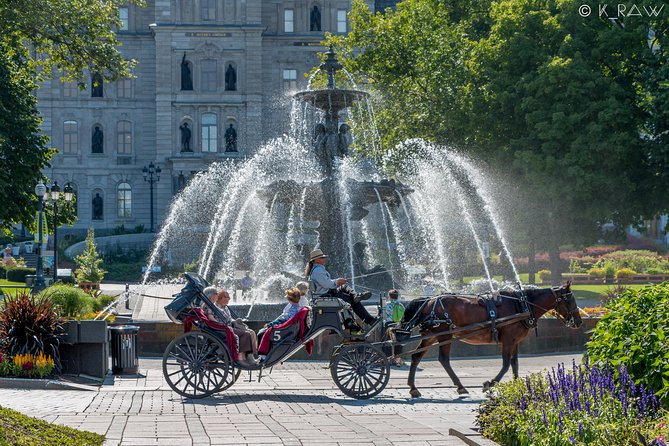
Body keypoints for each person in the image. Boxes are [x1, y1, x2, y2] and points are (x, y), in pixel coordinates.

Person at [304, 249, 377, 328]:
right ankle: (369, 320)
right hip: (326, 295)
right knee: (353, 302)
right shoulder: (318, 270)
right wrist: (337, 281)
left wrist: (338, 281)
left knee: (344, 286)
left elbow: (326, 282)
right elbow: (327, 284)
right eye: (322, 258)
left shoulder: (317, 269)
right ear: (316, 260)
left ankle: (355, 295)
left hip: (327, 293)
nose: (324, 259)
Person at [202, 286, 258, 365]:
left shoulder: (213, 305)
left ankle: (248, 356)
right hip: (220, 328)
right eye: (216, 293)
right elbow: (210, 317)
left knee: (249, 332)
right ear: (210, 295)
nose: (217, 295)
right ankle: (240, 357)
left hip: (225, 326)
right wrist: (220, 324)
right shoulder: (208, 306)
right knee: (245, 334)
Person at [383, 289, 405, 366]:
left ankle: (387, 360)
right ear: (397, 296)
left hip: (388, 324)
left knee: (387, 341)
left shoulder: (386, 305)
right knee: (398, 342)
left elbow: (383, 316)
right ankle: (398, 360)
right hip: (398, 325)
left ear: (389, 296)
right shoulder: (401, 305)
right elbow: (403, 316)